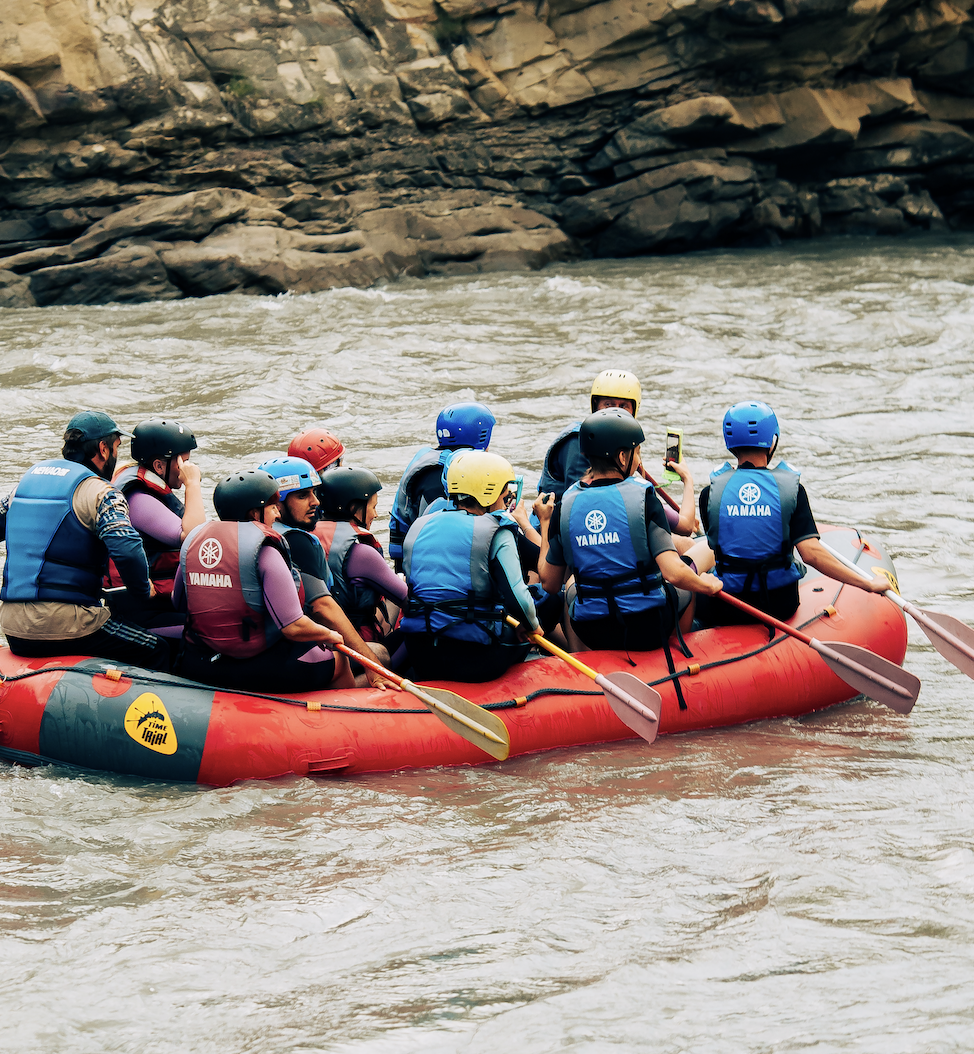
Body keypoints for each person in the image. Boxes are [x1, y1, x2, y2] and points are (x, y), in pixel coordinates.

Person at [536, 409, 722, 654]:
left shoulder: (565, 504)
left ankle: (583, 657)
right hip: (646, 626)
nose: (638, 459)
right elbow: (674, 573)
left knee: (572, 587)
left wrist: (546, 523)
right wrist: (707, 585)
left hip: (593, 630)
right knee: (686, 584)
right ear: (622, 457)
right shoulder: (644, 496)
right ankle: (679, 651)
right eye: (638, 452)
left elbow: (549, 583)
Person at [693, 401, 890, 626]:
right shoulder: (791, 490)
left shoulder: (710, 493)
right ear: (772, 441)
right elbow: (811, 554)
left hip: (727, 604)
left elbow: (719, 544)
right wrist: (868, 583)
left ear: (730, 443)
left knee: (693, 589)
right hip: (779, 604)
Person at [0, 411, 170, 671]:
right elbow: (127, 549)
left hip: (12, 627)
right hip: (70, 626)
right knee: (158, 649)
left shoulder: (21, 486)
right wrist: (142, 591)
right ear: (103, 449)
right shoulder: (103, 493)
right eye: (116, 448)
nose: (116, 456)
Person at [173, 469, 352, 691]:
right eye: (272, 507)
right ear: (254, 513)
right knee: (339, 660)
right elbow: (293, 626)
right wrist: (330, 634)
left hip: (200, 661)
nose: (277, 515)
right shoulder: (264, 551)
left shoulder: (193, 542)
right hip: (254, 663)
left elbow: (179, 602)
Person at [400, 450, 539, 682]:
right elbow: (518, 597)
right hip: (474, 658)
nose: (507, 499)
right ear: (490, 493)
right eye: (506, 493)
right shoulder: (498, 530)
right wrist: (532, 626)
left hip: (420, 654)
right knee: (544, 604)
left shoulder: (420, 525)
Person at [257, 456, 393, 687]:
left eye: (314, 493)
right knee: (380, 654)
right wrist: (372, 665)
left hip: (264, 646)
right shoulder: (296, 542)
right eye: (302, 496)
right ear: (276, 503)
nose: (315, 502)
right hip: (290, 653)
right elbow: (322, 607)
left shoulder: (257, 534)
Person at [538, 369, 697, 543]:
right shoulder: (579, 443)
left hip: (601, 522)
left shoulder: (621, 444)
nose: (615, 411)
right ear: (595, 406)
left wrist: (668, 515)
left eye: (623, 406)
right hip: (558, 534)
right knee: (685, 543)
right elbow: (581, 506)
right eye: (608, 404)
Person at [105, 418, 205, 630]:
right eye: (183, 462)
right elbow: (194, 536)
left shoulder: (146, 486)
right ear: (159, 466)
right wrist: (192, 484)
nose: (189, 467)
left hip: (161, 601)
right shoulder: (137, 498)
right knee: (205, 627)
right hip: (142, 608)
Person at [388, 401, 496, 570]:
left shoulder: (425, 459)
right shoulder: (458, 473)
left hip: (407, 557)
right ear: (481, 436)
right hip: (432, 562)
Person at [314, 467, 409, 657]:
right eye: (372, 507)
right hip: (357, 643)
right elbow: (410, 601)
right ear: (352, 508)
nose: (375, 514)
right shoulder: (361, 552)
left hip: (319, 639)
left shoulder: (307, 535)